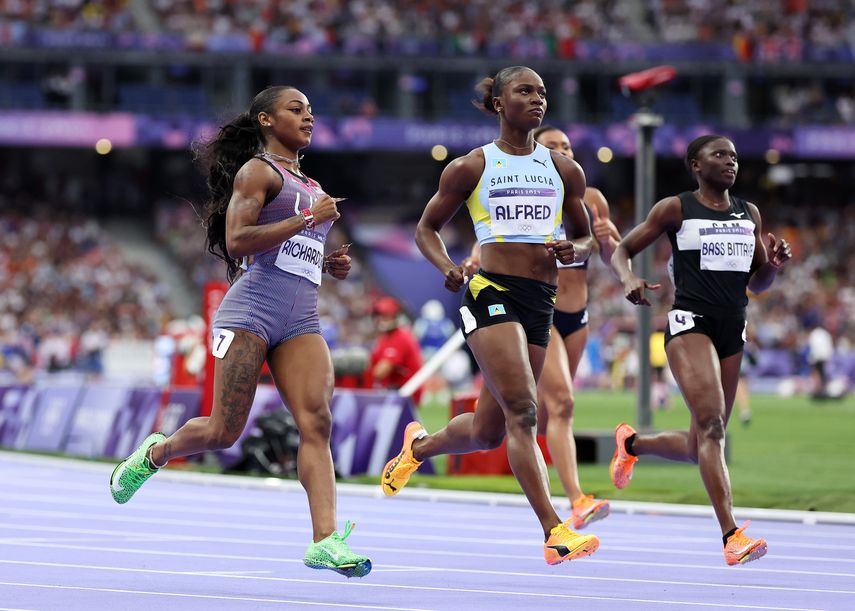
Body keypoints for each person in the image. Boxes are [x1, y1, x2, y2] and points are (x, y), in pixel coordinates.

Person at [109, 86, 371, 579]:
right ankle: (157, 451)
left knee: (317, 423)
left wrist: (329, 261)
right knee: (223, 431)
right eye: (297, 109)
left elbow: (298, 249)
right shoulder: (259, 172)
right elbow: (237, 241)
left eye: (312, 110)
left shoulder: (312, 183)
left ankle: (325, 540)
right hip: (251, 312)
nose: (309, 117)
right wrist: (306, 220)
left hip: (301, 318)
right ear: (267, 120)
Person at [382, 66, 600, 565]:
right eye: (525, 91)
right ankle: (554, 531)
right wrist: (447, 267)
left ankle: (417, 448)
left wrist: (574, 249)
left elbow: (588, 238)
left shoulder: (566, 170)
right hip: (489, 290)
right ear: (499, 103)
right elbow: (426, 229)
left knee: (489, 431)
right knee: (525, 411)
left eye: (543, 92)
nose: (537, 99)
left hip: (540, 299)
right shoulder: (472, 166)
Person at [609, 134, 793, 566]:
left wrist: (775, 266)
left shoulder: (749, 213)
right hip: (690, 323)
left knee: (702, 442)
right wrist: (628, 279)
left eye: (733, 155)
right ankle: (731, 535)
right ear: (695, 164)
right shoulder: (676, 208)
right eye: (719, 155)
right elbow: (622, 249)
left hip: (734, 327)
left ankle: (631, 444)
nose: (730, 162)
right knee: (711, 426)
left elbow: (758, 283)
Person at [461, 125, 621, 530]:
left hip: (576, 316)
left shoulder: (590, 198)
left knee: (504, 424)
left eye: (567, 145)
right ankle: (575, 501)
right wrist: (469, 261)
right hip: (533, 311)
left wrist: (604, 243)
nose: (562, 151)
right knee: (557, 403)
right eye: (553, 147)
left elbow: (615, 255)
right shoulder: (522, 187)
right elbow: (486, 242)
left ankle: (423, 447)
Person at [368, 296, 424, 404]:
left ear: (395, 316)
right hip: (394, 391)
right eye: (378, 315)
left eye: (385, 315)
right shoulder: (385, 337)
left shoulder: (400, 337)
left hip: (404, 394)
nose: (380, 319)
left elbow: (380, 372)